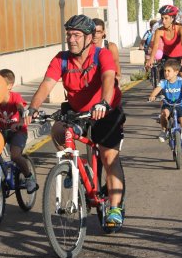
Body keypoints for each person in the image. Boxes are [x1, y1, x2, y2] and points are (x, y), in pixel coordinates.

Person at [24, 14, 126, 228]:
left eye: (77, 35)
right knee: (58, 130)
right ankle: (71, 167)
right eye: (69, 35)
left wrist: (104, 103)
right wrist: (33, 107)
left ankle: (115, 209)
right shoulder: (61, 59)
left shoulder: (102, 55)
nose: (71, 39)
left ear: (89, 37)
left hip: (105, 110)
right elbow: (46, 84)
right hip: (77, 110)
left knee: (108, 157)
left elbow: (108, 78)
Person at [148, 59, 182, 154]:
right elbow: (157, 89)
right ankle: (163, 131)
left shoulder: (181, 81)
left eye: (168, 71)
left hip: (180, 105)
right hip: (168, 104)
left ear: (176, 72)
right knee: (164, 114)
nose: (166, 73)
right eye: (165, 71)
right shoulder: (163, 82)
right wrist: (152, 96)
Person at [146, 5, 182, 79]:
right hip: (167, 56)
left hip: (180, 56)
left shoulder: (180, 28)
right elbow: (155, 46)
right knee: (164, 76)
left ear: (172, 18)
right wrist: (151, 59)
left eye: (166, 18)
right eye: (162, 18)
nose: (163, 21)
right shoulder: (159, 31)